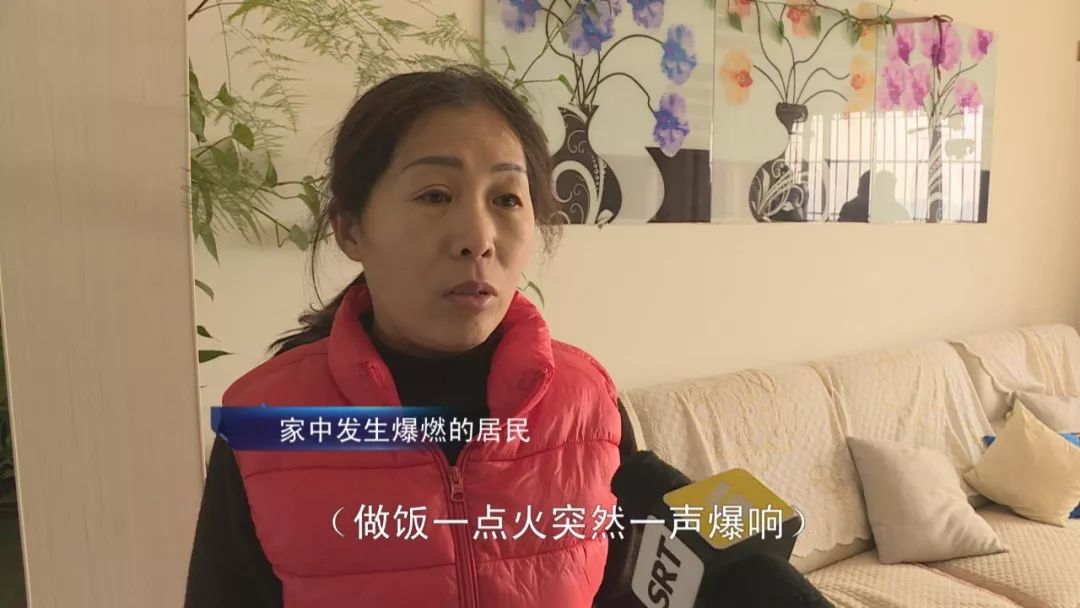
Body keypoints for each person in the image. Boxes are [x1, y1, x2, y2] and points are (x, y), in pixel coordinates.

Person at [183, 65, 638, 608]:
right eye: (435, 196)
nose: (478, 238)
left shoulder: (589, 404)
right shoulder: (266, 426)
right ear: (350, 228)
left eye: (506, 199)